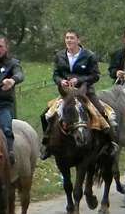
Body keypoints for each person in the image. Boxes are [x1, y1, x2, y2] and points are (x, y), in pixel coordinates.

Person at [43, 29, 116, 159]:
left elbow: (95, 75)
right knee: (46, 114)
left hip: (86, 93)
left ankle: (110, 144)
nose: (69, 40)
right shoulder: (60, 55)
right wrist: (61, 81)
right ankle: (47, 144)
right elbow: (56, 74)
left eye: (72, 38)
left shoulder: (89, 56)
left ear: (78, 40)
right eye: (67, 38)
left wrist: (79, 80)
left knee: (103, 113)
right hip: (66, 94)